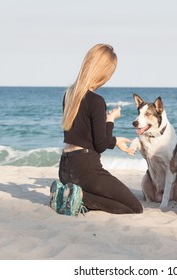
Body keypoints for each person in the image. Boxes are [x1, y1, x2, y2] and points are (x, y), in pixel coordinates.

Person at [58, 43, 143, 214]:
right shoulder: (96, 101)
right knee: (134, 207)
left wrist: (114, 139)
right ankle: (79, 196)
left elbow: (84, 135)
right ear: (103, 72)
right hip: (86, 169)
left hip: (65, 169)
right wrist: (110, 121)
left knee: (117, 200)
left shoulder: (69, 95)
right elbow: (101, 144)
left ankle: (70, 194)